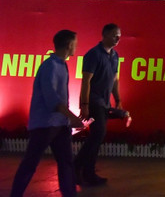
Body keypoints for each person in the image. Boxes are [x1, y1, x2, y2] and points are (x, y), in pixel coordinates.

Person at [11, 30, 83, 197]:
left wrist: (68, 119)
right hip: (45, 124)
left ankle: (69, 193)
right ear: (69, 45)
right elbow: (52, 99)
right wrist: (72, 117)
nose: (76, 47)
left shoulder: (61, 65)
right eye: (75, 44)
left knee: (66, 162)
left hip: (60, 123)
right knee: (31, 163)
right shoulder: (50, 66)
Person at [74, 23, 123, 186]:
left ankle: (86, 172)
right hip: (94, 101)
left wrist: (118, 99)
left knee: (97, 137)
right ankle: (78, 168)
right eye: (114, 35)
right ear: (105, 35)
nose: (118, 38)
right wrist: (84, 104)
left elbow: (114, 79)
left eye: (119, 35)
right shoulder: (93, 54)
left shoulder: (115, 56)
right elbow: (86, 81)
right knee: (97, 135)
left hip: (105, 103)